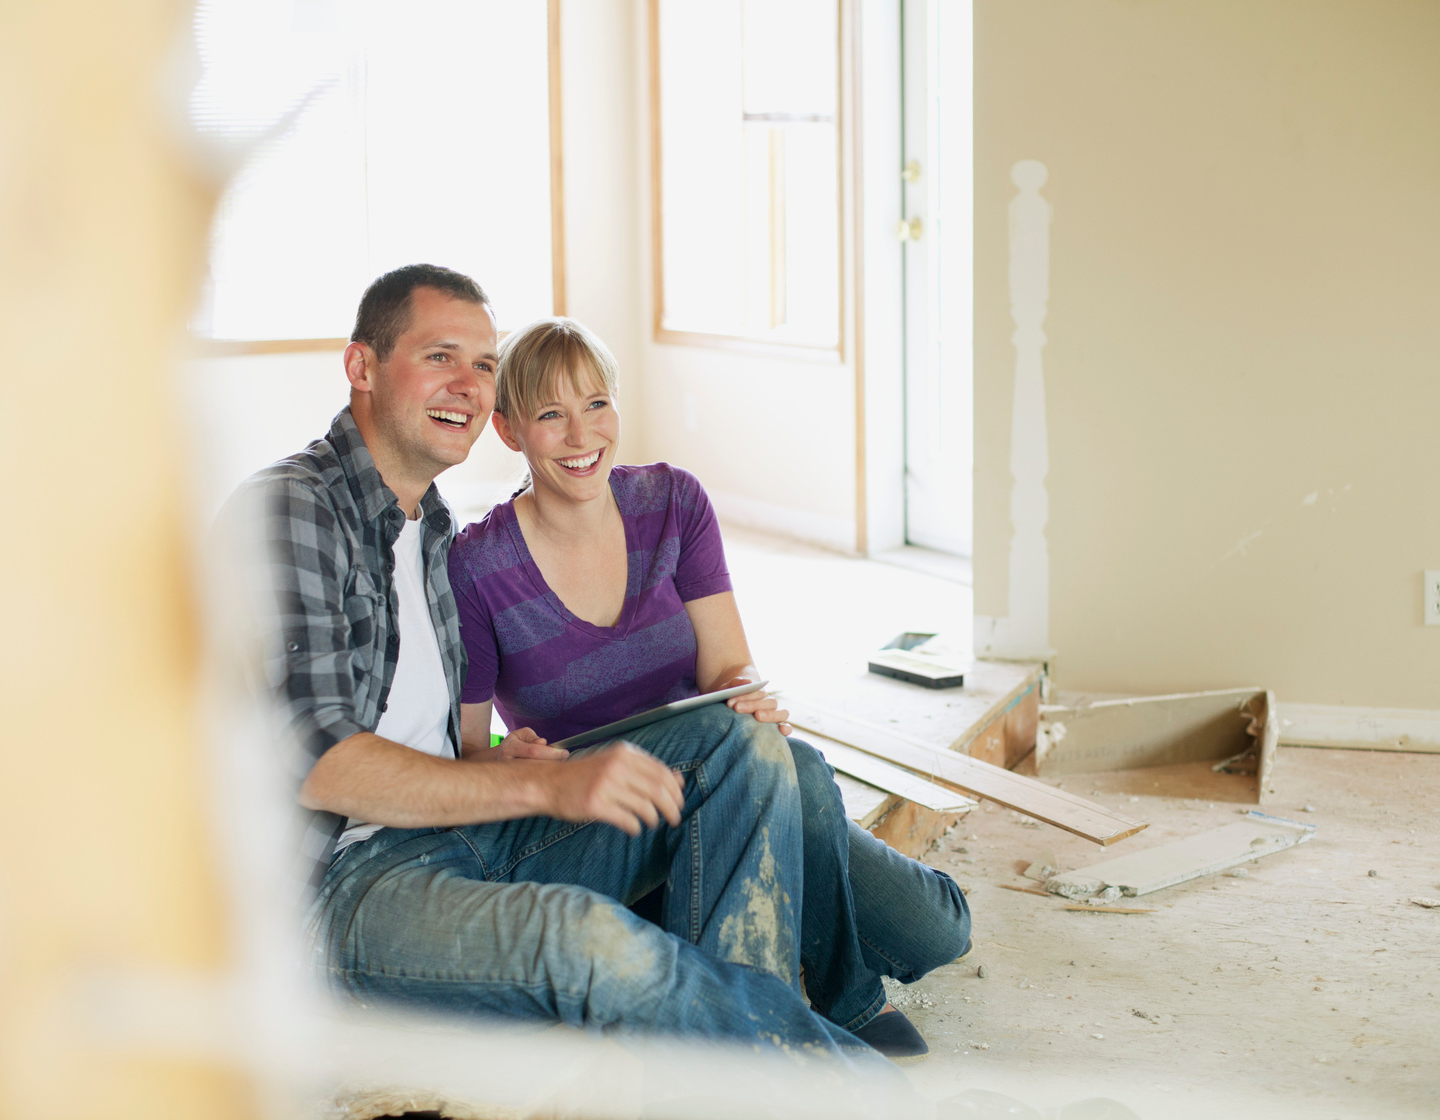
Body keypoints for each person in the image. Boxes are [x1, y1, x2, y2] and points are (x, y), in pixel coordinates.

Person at [231, 264, 882, 1063]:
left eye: (481, 364)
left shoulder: (430, 528)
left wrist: (511, 760)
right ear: (362, 367)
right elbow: (322, 762)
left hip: (475, 825)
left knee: (741, 745)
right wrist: (542, 781)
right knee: (594, 942)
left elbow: (450, 739)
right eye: (440, 356)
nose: (467, 385)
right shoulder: (291, 508)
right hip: (348, 883)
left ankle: (738, 1082)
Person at [448, 316, 972, 1061]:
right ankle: (847, 1003)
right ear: (509, 431)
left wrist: (749, 691)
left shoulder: (672, 503)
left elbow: (730, 669)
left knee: (939, 930)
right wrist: (509, 758)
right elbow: (470, 750)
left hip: (737, 785)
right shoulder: (476, 565)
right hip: (611, 813)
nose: (580, 435)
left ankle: (764, 924)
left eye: (597, 404)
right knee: (795, 771)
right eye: (551, 415)